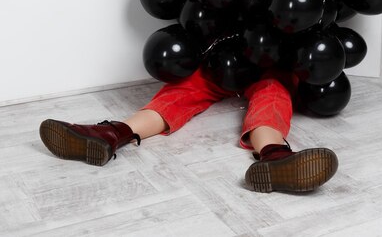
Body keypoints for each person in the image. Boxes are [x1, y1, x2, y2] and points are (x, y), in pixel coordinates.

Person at [39, 66, 338, 194]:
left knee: (272, 92)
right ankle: (111, 134)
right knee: (187, 86)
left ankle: (275, 157)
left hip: (274, 58)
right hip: (221, 52)